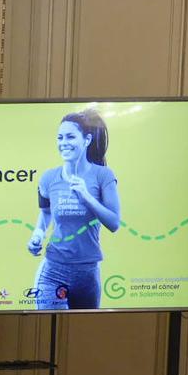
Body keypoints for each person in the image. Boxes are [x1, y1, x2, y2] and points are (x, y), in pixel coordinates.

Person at [27, 108, 120, 310]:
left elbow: (114, 223)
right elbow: (46, 212)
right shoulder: (49, 178)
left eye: (70, 137)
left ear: (86, 140)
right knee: (50, 328)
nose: (63, 143)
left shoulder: (103, 176)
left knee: (84, 333)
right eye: (60, 137)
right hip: (53, 271)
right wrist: (37, 234)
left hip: (88, 274)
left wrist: (87, 198)